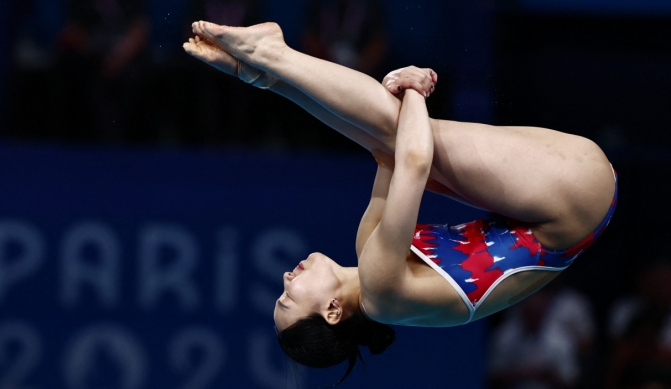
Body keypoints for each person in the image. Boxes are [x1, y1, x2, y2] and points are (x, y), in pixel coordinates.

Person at [183, 21, 618, 384]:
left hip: (564, 206)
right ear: (333, 312)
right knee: (398, 126)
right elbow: (413, 159)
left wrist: (274, 85)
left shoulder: (368, 254)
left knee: (387, 132)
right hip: (571, 199)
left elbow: (385, 153)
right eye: (287, 298)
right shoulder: (381, 288)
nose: (285, 277)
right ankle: (272, 56)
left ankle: (267, 70)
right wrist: (414, 86)